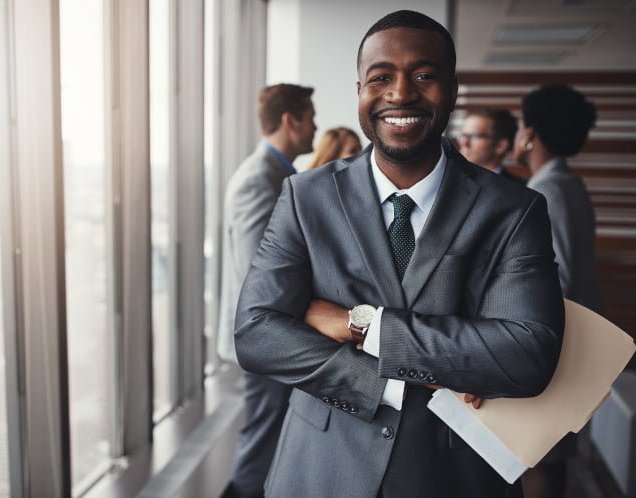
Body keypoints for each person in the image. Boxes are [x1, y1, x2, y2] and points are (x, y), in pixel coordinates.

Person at [234, 10, 563, 498]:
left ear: (451, 89)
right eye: (381, 77)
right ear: (361, 91)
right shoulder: (306, 197)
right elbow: (257, 332)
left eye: (423, 75)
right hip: (320, 471)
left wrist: (363, 325)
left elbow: (527, 353)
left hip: (454, 476)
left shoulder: (514, 209)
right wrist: (394, 383)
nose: (401, 92)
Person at [217, 83, 317, 498]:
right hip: (267, 341)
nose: (316, 126)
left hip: (281, 338)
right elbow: (258, 278)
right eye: (311, 116)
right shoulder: (259, 179)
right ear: (290, 120)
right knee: (263, 443)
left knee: (276, 439)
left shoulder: (282, 174)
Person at [512, 84, 600, 498]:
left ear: (529, 134)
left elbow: (556, 280)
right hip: (565, 342)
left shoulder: (549, 191)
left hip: (553, 348)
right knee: (548, 455)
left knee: (537, 459)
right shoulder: (565, 184)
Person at [458, 109, 525, 183]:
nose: (464, 142)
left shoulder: (519, 190)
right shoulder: (451, 182)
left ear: (500, 146)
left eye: (474, 136)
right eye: (463, 135)